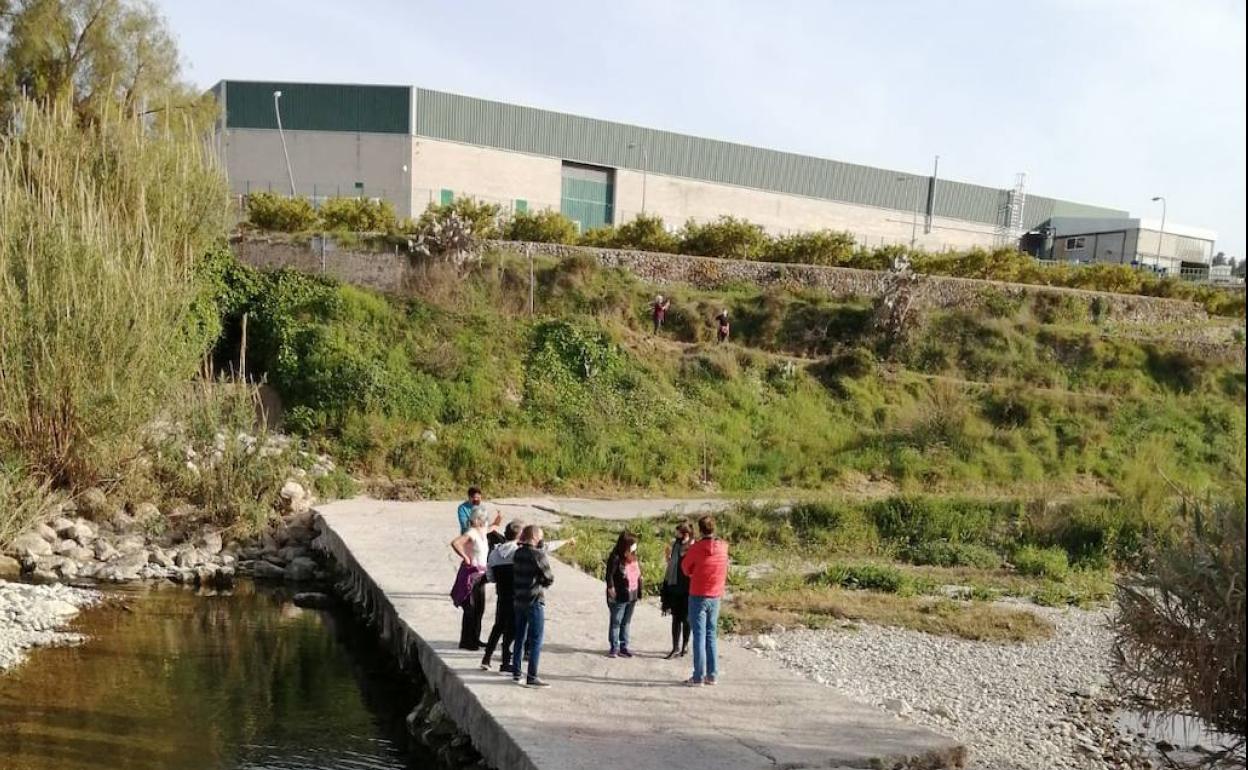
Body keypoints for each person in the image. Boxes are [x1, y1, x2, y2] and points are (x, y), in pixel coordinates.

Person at [681, 514, 729, 686]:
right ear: (714, 528)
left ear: (700, 530)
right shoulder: (723, 547)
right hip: (715, 595)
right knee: (711, 635)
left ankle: (698, 677)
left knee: (699, 637)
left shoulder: (696, 548)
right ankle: (712, 674)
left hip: (698, 595)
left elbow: (685, 568)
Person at [512, 524, 554, 688]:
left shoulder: (518, 553)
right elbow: (549, 577)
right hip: (534, 600)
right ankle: (532, 676)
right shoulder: (538, 554)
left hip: (519, 599)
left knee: (519, 637)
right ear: (535, 537)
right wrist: (541, 581)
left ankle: (516, 672)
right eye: (540, 536)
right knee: (536, 639)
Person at [480, 519, 524, 673]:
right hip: (516, 594)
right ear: (520, 535)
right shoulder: (519, 552)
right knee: (511, 628)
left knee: (498, 626)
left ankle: (486, 658)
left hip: (502, 593)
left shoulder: (494, 553)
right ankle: (506, 661)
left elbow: (490, 577)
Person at [450, 508, 495, 650]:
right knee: (470, 607)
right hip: (471, 573)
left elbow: (492, 527)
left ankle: (475, 637)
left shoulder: (482, 531)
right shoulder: (472, 533)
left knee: (479, 608)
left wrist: (498, 520)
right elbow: (455, 543)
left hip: (481, 574)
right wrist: (465, 557)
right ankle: (467, 640)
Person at [604, 531, 643, 658]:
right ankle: (614, 647)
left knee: (626, 622)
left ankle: (624, 646)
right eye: (632, 544)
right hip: (619, 595)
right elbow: (609, 575)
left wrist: (639, 591)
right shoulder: (615, 557)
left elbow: (638, 574)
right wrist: (611, 588)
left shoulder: (633, 556)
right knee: (616, 621)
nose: (634, 547)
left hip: (632, 594)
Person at [660, 522, 693, 659]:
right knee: (675, 618)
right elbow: (673, 563)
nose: (676, 535)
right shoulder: (676, 545)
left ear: (685, 533)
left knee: (686, 619)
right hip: (674, 586)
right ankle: (675, 647)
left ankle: (685, 645)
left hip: (688, 587)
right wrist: (668, 558)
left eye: (678, 532)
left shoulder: (693, 547)